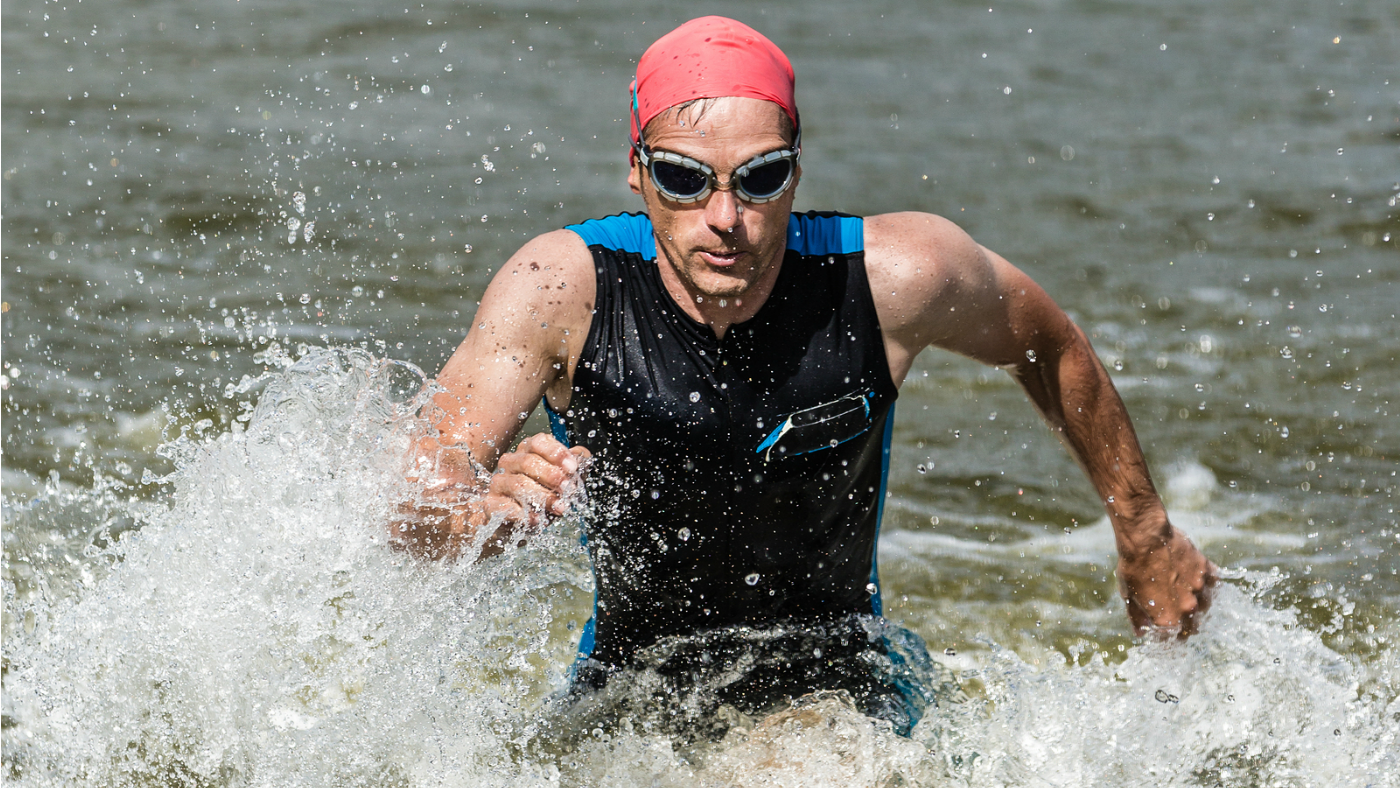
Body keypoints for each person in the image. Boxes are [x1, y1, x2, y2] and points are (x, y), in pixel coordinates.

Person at [396, 16, 1216, 733]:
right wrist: (479, 525)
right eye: (684, 179)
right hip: (628, 686)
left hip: (839, 678)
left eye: (760, 179)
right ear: (637, 172)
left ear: (796, 169)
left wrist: (1144, 533)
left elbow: (1050, 342)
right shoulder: (560, 292)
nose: (726, 218)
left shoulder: (895, 276)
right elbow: (410, 510)